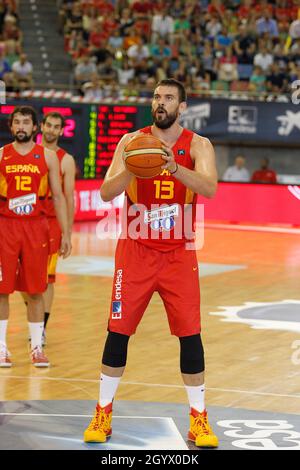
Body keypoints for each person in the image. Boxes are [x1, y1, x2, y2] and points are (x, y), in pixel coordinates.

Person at [83, 79, 219, 448]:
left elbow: (209, 187)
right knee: (118, 332)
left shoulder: (199, 145)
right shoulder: (130, 141)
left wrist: (174, 167)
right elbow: (106, 191)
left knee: (191, 335)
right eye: (157, 97)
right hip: (135, 251)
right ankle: (103, 412)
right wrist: (135, 167)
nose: (161, 103)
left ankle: (199, 419)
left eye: (169, 98)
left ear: (183, 106)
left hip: (179, 253)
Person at [0, 106, 71, 368]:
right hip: (5, 226)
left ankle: (37, 348)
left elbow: (59, 197)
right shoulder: (1, 156)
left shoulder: (48, 157)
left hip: (36, 227)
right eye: (16, 122)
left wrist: (65, 233)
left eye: (26, 122)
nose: (21, 126)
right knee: (1, 290)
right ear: (11, 127)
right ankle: (2, 348)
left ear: (34, 127)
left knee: (36, 290)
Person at [40, 112, 76, 342]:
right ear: (41, 127)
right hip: (23, 222)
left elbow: (68, 197)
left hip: (51, 224)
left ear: (62, 131)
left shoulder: (66, 159)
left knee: (46, 279)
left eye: (56, 127)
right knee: (22, 280)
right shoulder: (27, 155)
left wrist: (67, 233)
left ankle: (40, 327)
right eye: (48, 125)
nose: (52, 130)